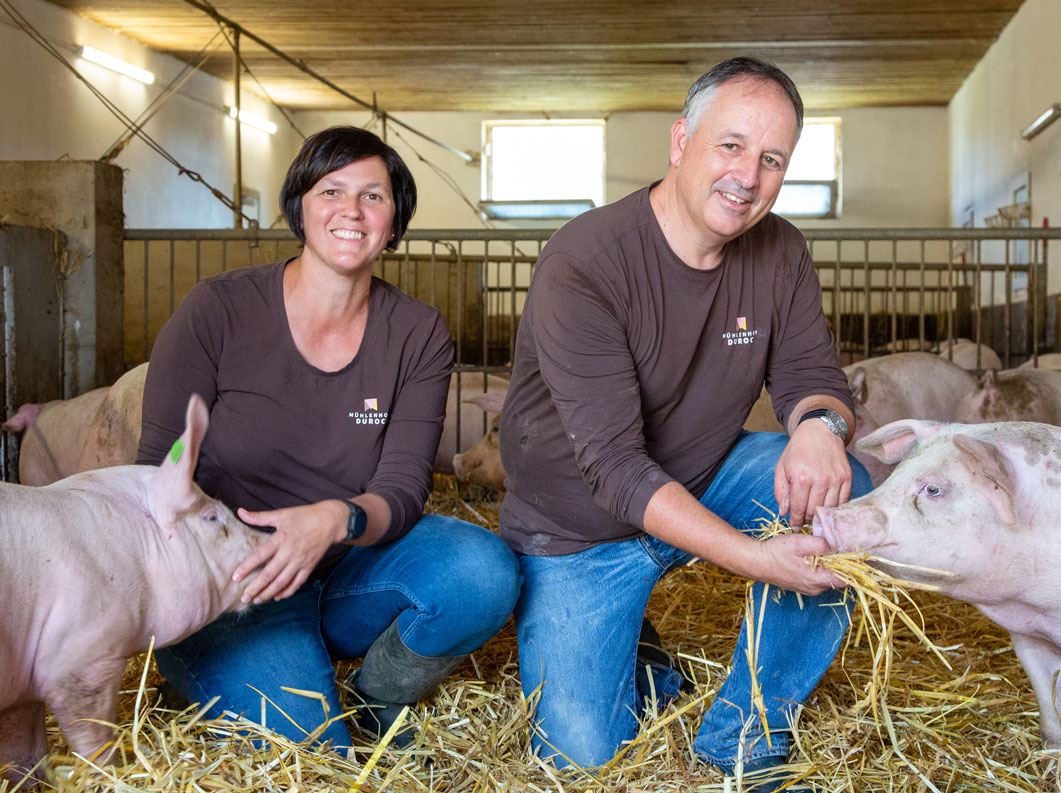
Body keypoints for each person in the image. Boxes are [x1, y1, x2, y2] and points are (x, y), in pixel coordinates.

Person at [498, 57, 873, 789]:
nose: (748, 176)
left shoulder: (780, 251)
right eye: (729, 146)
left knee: (844, 492)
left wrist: (821, 427)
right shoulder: (587, 260)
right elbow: (613, 468)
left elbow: (811, 379)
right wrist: (759, 559)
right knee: (583, 758)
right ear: (680, 141)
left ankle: (744, 739)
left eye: (772, 159)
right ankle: (637, 656)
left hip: (700, 479)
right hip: (578, 532)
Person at [136, 125, 521, 754]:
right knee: (317, 754)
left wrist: (334, 520)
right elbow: (158, 469)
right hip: (232, 583)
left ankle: (378, 697)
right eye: (331, 190)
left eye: (374, 196)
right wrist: (229, 558)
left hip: (347, 567)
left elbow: (400, 491)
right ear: (300, 207)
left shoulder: (417, 334)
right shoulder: (217, 312)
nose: (351, 210)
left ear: (395, 221)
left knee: (483, 569)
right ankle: (211, 671)